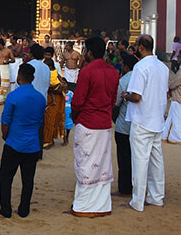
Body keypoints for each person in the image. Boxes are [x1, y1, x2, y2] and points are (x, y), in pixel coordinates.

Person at [68, 37, 119, 217]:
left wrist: (75, 118)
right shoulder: (113, 72)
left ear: (89, 52)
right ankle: (101, 205)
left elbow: (78, 101)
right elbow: (113, 100)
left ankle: (83, 206)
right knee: (102, 164)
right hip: (104, 124)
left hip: (88, 122)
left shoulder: (87, 72)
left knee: (85, 163)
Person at [120, 35, 168, 212]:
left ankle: (137, 201)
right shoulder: (162, 67)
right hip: (157, 118)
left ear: (140, 48)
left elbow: (137, 96)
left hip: (142, 120)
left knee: (140, 161)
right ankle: (156, 197)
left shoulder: (141, 67)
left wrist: (125, 95)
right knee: (156, 160)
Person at [0, 63, 46, 219]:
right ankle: (24, 210)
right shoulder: (40, 98)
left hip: (15, 142)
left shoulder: (14, 96)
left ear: (19, 77)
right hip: (32, 144)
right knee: (28, 179)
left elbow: (5, 121)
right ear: (33, 78)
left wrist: (6, 137)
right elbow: (40, 122)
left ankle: (5, 210)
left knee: (5, 176)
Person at [112, 53, 137, 196]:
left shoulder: (124, 80)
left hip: (123, 124)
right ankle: (137, 186)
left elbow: (116, 104)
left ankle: (124, 188)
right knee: (137, 157)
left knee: (124, 157)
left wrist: (114, 118)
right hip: (138, 124)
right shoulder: (141, 78)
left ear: (126, 66)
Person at [164, 59, 181, 144]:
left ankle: (176, 137)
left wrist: (169, 87)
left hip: (178, 96)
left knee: (176, 118)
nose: (178, 58)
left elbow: (176, 82)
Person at [0, 38, 14, 105]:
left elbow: (13, 59)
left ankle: (3, 99)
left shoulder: (8, 51)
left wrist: (8, 61)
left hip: (6, 68)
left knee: (5, 84)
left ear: (0, 44)